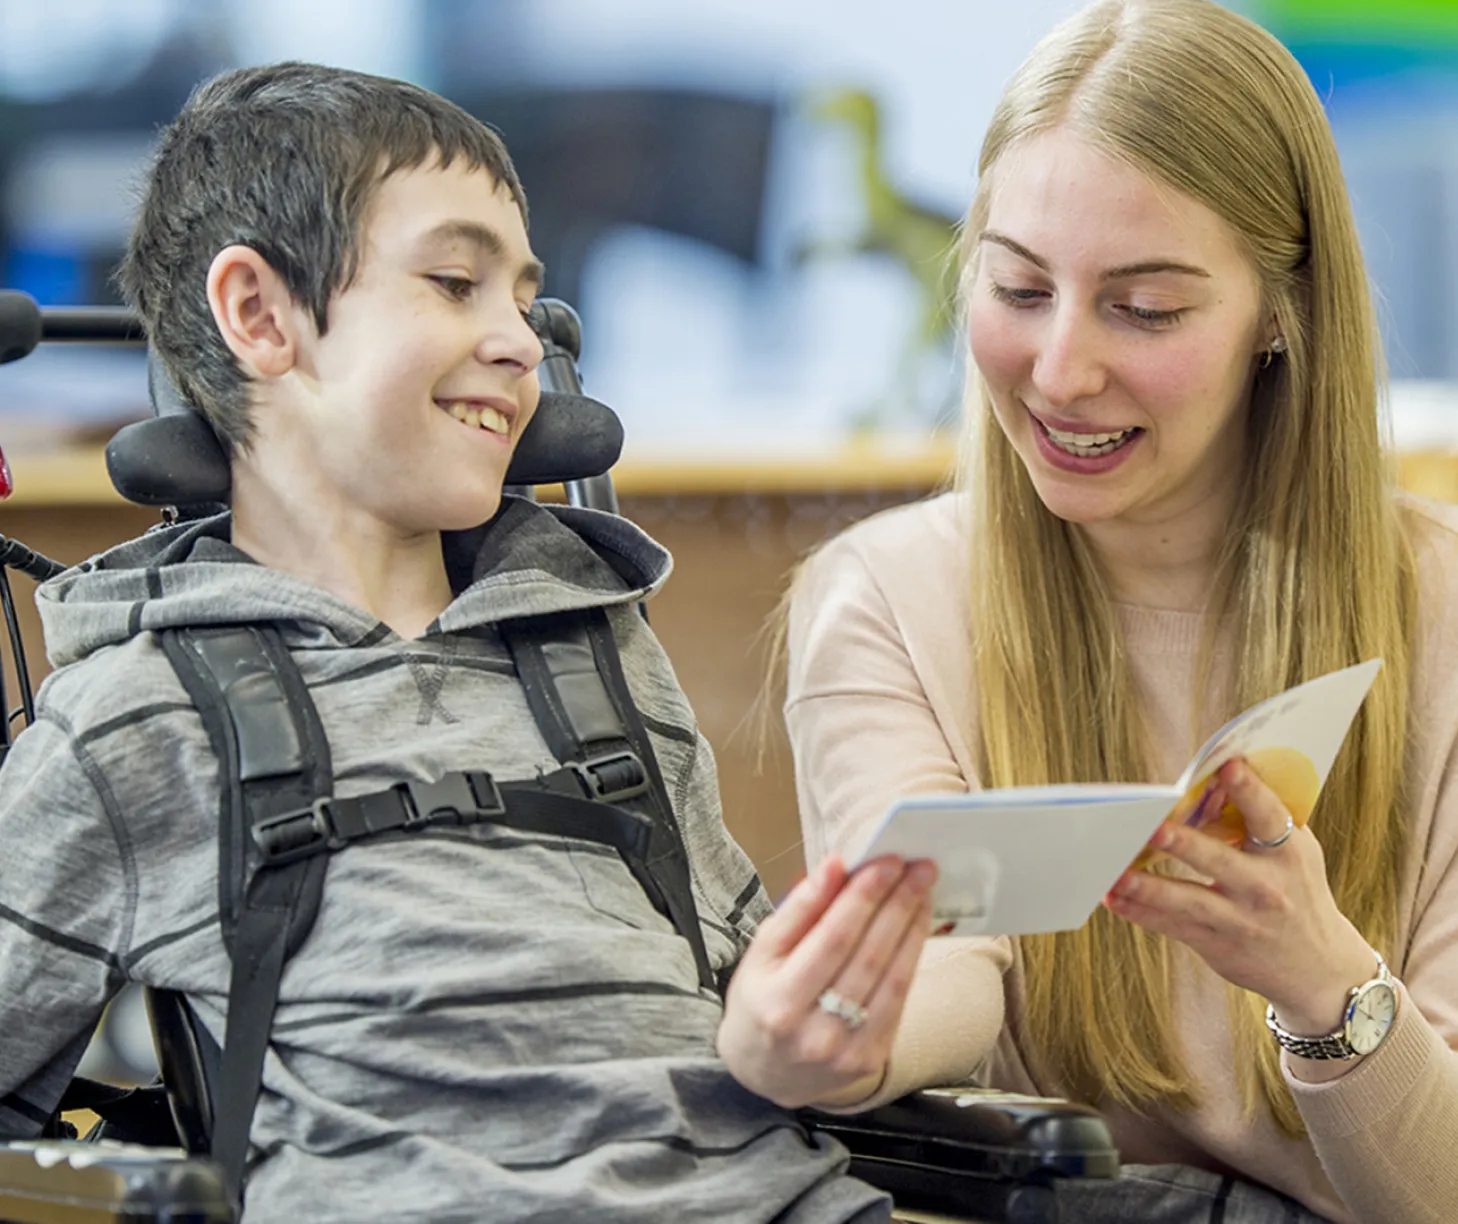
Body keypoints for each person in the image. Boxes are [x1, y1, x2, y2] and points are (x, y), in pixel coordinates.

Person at [0, 62, 937, 1224]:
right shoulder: (138, 721)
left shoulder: (595, 654)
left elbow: (738, 992)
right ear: (259, 315)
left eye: (523, 299)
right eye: (454, 282)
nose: (519, 342)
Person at [780, 2, 1458, 1222]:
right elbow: (950, 962)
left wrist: (1322, 977)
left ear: (1282, 319)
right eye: (1019, 287)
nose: (1062, 370)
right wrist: (819, 1034)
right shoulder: (883, 598)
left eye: (1144, 309)